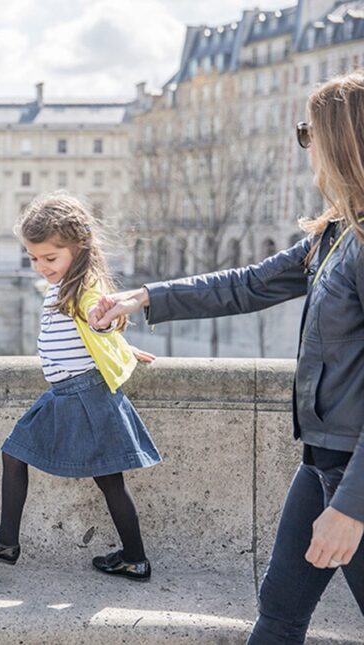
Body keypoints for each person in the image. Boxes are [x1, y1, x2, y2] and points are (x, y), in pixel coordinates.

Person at [91, 70, 364, 642]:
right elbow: (247, 284)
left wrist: (352, 507)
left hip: (352, 475)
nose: (305, 147)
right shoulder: (336, 234)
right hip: (323, 462)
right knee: (279, 611)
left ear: (343, 140)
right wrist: (144, 297)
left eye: (308, 133)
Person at [0, 191, 159, 581]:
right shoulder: (66, 282)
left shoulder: (85, 288)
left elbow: (103, 321)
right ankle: (10, 540)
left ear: (78, 247)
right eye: (33, 258)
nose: (40, 267)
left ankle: (132, 557)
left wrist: (115, 337)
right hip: (67, 393)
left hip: (85, 394)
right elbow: (95, 334)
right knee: (23, 455)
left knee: (105, 479)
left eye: (49, 258)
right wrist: (121, 347)